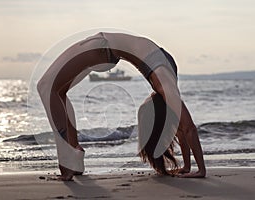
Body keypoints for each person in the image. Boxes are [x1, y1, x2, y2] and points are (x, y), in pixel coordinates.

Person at [37, 32, 206, 181]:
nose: (143, 103)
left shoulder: (164, 86)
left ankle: (67, 162)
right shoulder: (168, 92)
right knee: (57, 91)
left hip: (102, 46)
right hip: (105, 49)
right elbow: (183, 127)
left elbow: (188, 128)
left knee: (46, 86)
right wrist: (188, 167)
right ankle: (74, 154)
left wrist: (200, 170)